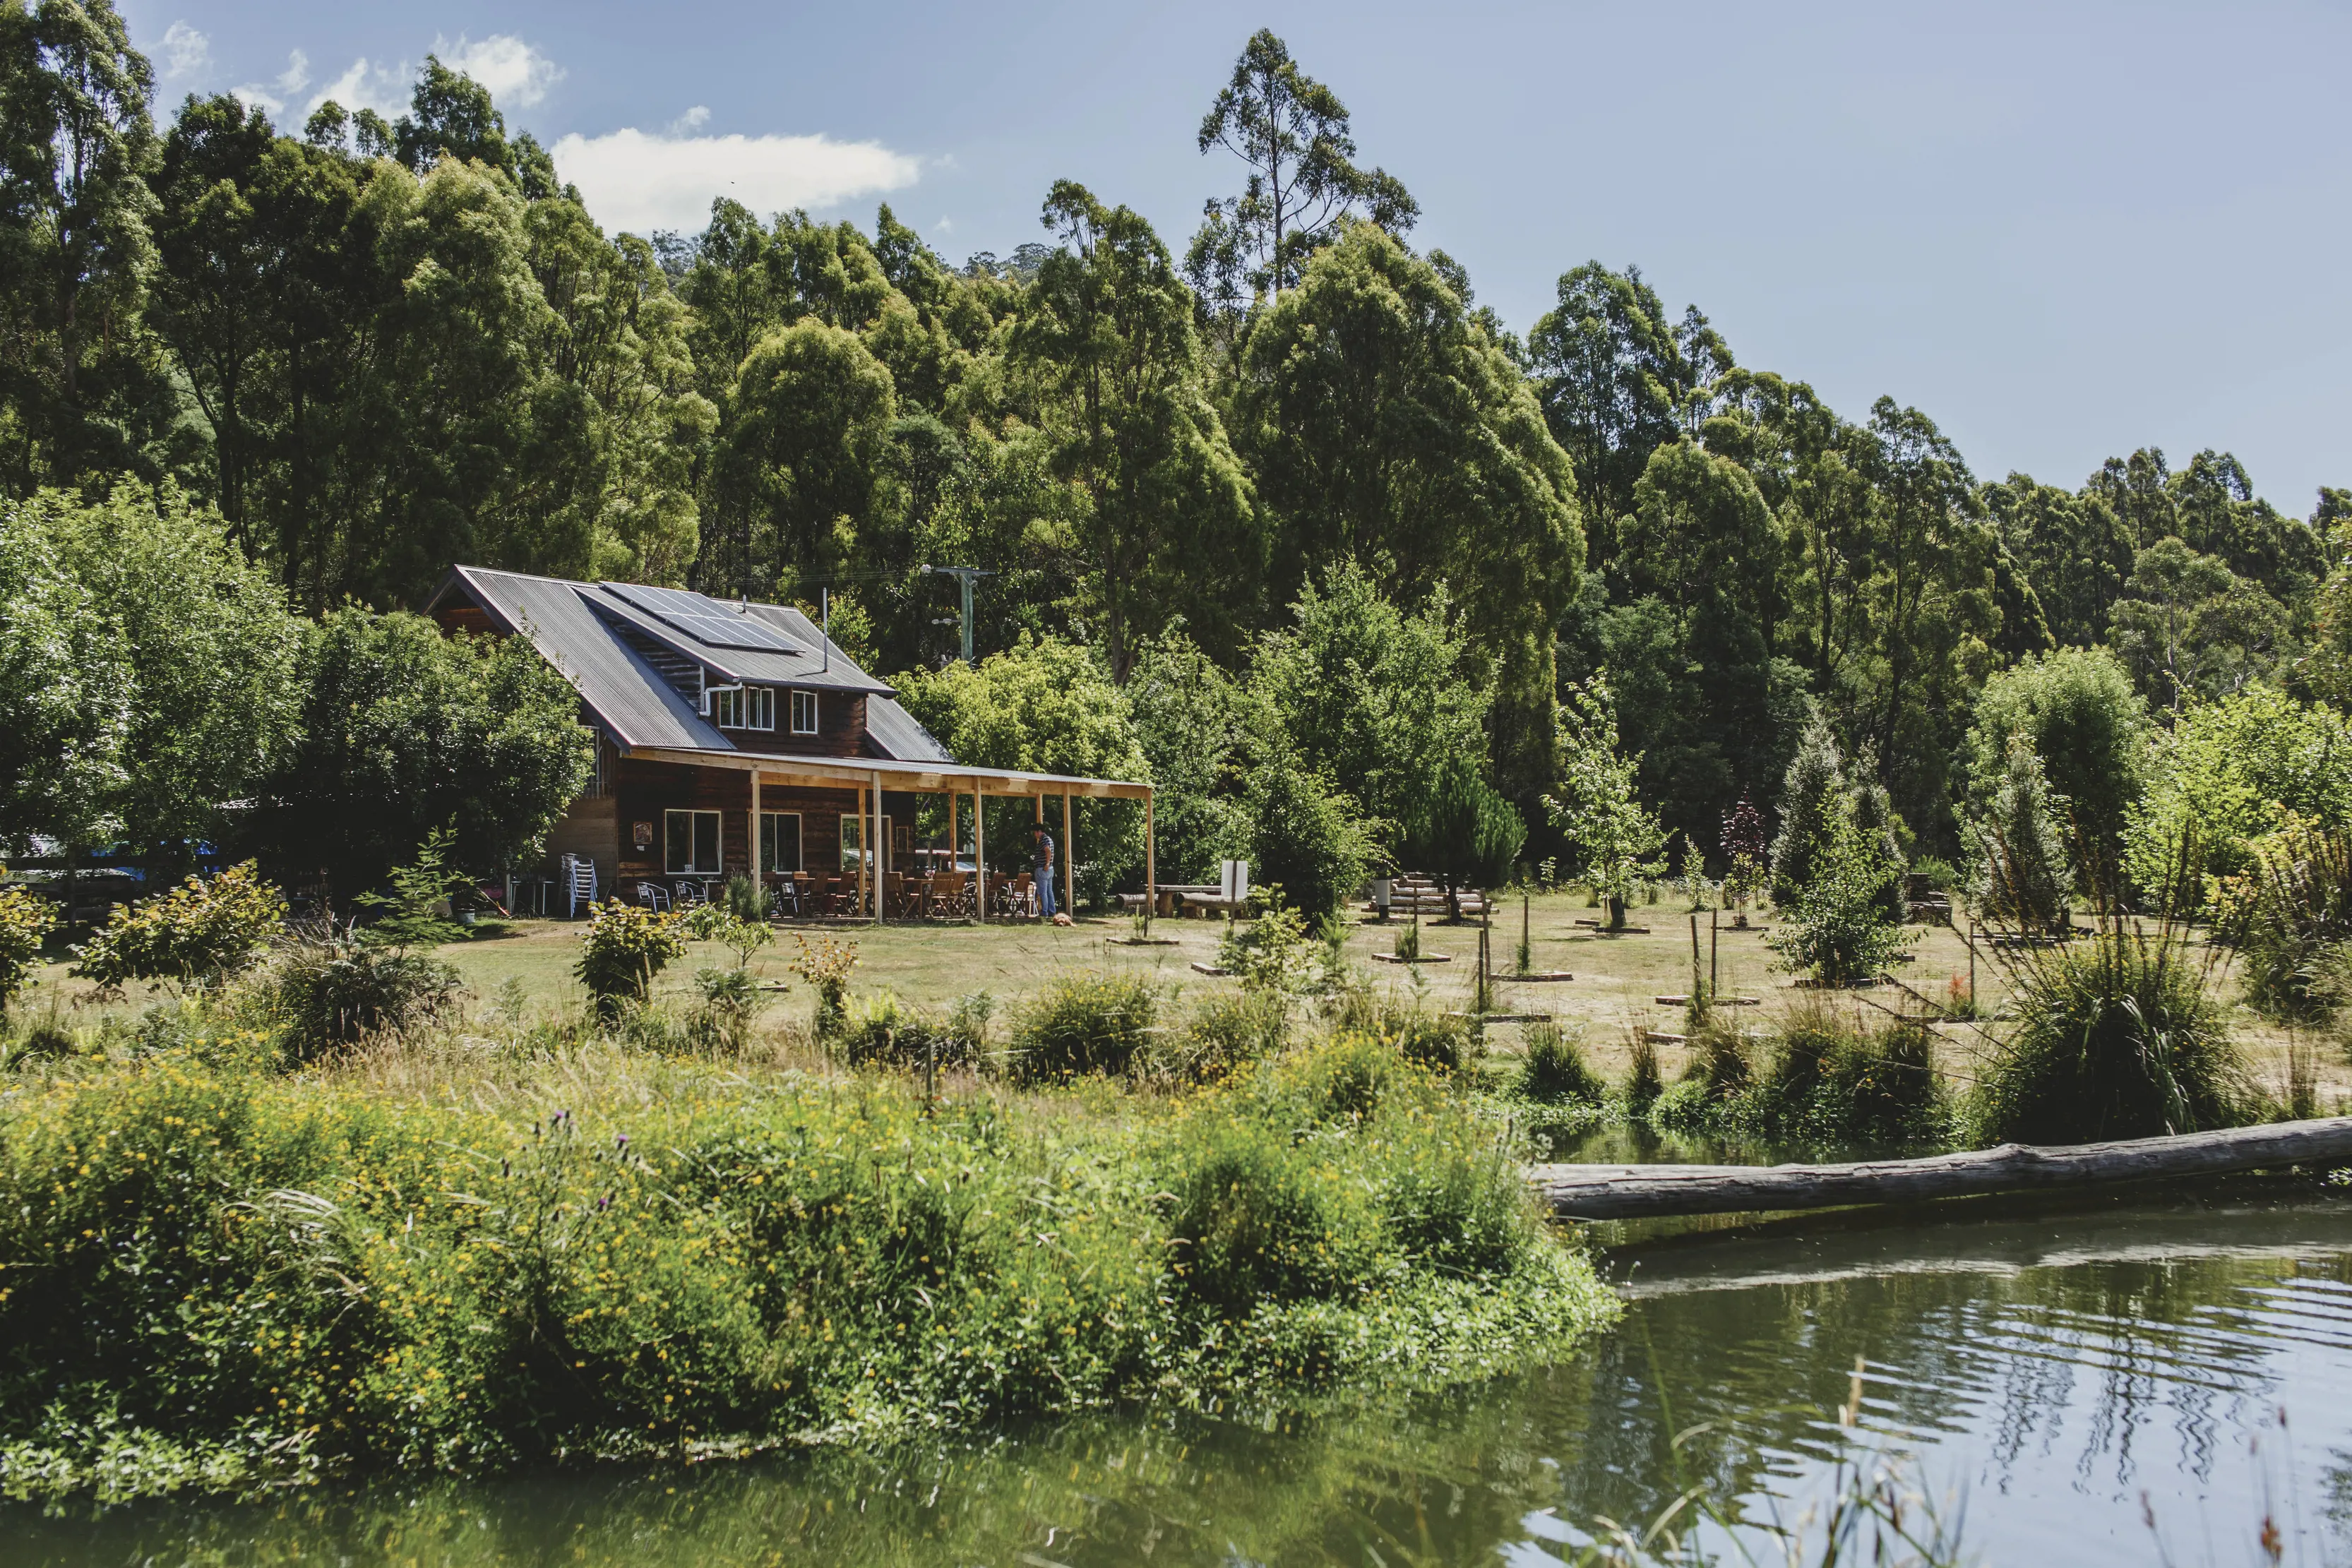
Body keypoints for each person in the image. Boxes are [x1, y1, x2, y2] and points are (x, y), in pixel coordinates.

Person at [1033, 827, 1056, 919]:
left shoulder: (1043, 840)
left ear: (1039, 831)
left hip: (1043, 869)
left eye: (1035, 832)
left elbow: (1048, 851)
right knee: (1049, 891)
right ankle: (1052, 911)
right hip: (1050, 869)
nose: (1035, 835)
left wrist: (1047, 863)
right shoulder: (1049, 839)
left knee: (1043, 892)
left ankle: (1044, 911)